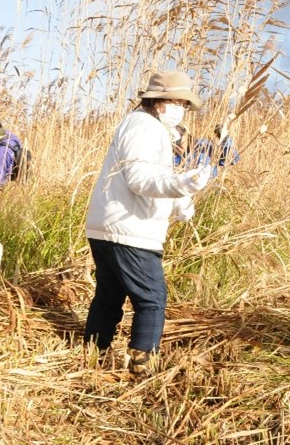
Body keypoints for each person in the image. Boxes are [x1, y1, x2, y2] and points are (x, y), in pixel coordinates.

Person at [83, 69, 212, 377]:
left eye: (184, 102)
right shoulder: (144, 127)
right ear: (158, 101)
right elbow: (141, 180)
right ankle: (143, 367)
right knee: (152, 299)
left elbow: (152, 176)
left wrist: (181, 202)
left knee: (109, 296)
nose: (181, 108)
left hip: (111, 226)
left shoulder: (146, 127)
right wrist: (182, 186)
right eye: (177, 101)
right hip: (129, 230)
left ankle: (93, 358)